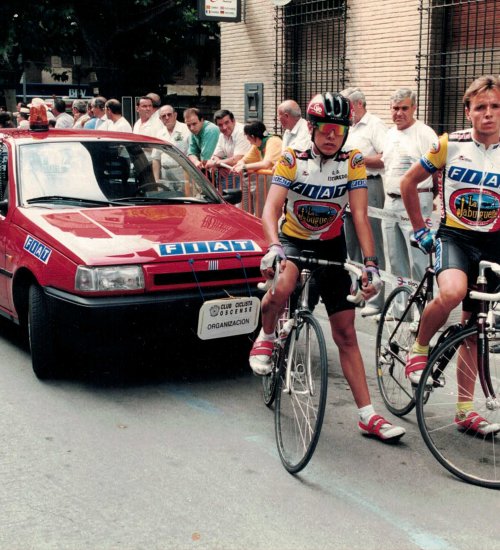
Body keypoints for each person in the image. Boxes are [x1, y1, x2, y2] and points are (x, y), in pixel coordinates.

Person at [249, 92, 405, 441]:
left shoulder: (353, 161)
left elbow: (361, 217)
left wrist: (370, 265)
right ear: (312, 128)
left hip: (331, 245)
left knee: (346, 333)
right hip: (293, 239)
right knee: (284, 286)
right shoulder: (292, 157)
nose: (332, 135)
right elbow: (271, 209)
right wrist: (274, 247)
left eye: (338, 129)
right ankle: (267, 333)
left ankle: (368, 415)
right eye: (324, 129)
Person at [401, 75, 500, 435]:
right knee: (453, 292)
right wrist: (419, 229)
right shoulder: (449, 144)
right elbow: (408, 183)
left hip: (493, 242)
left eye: (495, 107)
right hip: (454, 235)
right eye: (481, 108)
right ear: (468, 112)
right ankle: (420, 346)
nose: (488, 114)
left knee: (476, 328)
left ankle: (464, 410)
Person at [382, 88, 438, 282]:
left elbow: (436, 169)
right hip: (390, 201)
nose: (399, 113)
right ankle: (400, 310)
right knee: (395, 258)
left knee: (419, 257)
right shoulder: (389, 134)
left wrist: (430, 197)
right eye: (395, 108)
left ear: (414, 108)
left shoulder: (424, 133)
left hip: (416, 199)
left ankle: (422, 310)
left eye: (404, 108)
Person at [340, 87, 388, 316]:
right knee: (351, 243)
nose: (346, 111)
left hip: (370, 183)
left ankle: (376, 299)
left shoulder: (375, 125)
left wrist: (359, 160)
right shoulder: (347, 127)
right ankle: (357, 290)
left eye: (348, 105)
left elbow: (385, 157)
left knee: (372, 241)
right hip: (347, 186)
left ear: (359, 104)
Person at [205, 109, 250, 188]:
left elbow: (237, 159)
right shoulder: (222, 135)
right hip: (233, 172)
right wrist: (221, 166)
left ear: (233, 121)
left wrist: (217, 164)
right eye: (220, 125)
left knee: (243, 200)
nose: (224, 127)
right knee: (226, 198)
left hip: (248, 174)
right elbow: (215, 156)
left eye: (226, 122)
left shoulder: (242, 131)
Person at [152, 105, 191, 183]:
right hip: (165, 174)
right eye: (163, 116)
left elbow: (192, 154)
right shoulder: (160, 134)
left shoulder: (186, 130)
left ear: (175, 115)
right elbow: (156, 158)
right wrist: (156, 180)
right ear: (160, 119)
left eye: (169, 114)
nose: (167, 117)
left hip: (182, 173)